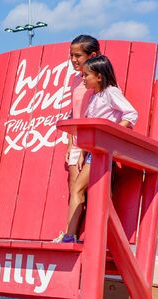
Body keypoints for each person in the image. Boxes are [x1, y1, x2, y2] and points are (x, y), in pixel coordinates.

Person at [55, 55, 138, 243]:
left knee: (78, 188)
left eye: (86, 75)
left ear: (99, 76)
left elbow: (131, 113)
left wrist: (115, 133)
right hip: (93, 152)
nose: (83, 79)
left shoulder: (111, 92)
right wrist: (83, 152)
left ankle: (71, 237)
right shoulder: (94, 96)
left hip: (103, 152)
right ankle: (104, 239)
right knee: (101, 195)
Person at [58, 35, 101, 242]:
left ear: (92, 56)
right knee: (75, 189)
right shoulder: (76, 80)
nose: (73, 60)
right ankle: (70, 235)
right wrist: (69, 143)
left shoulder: (96, 81)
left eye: (78, 56)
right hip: (76, 142)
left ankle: (82, 236)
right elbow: (74, 114)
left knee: (88, 191)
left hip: (91, 144)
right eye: (71, 55)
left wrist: (85, 147)